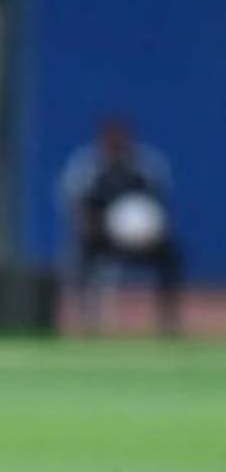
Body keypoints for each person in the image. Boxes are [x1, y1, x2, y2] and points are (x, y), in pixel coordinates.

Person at [60, 117, 181, 335]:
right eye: (110, 140)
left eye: (120, 140)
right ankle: (88, 321)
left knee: (172, 254)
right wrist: (99, 226)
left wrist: (149, 232)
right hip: (101, 236)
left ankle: (168, 321)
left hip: (141, 240)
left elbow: (156, 208)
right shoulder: (88, 168)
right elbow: (79, 209)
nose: (115, 145)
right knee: (83, 254)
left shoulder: (144, 167)